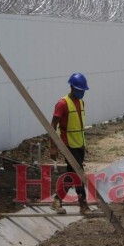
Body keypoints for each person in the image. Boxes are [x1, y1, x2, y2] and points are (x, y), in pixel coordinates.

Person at [50, 73, 91, 215]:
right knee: (78, 174)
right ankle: (83, 204)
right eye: (80, 90)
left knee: (72, 174)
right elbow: (53, 125)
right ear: (72, 88)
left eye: (84, 91)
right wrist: (54, 147)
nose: (82, 93)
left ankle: (57, 200)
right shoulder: (62, 104)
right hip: (68, 145)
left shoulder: (81, 103)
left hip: (79, 144)